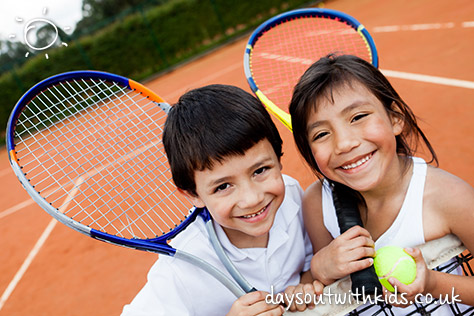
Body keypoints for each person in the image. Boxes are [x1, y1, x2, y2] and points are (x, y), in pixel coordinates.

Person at [288, 54, 474, 313]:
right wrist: (319, 269)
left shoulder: (449, 197)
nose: (344, 143)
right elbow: (322, 292)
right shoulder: (317, 204)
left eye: (357, 117)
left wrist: (432, 283)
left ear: (395, 118)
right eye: (321, 134)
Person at [121, 84, 321, 316]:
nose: (252, 198)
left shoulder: (291, 195)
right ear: (193, 194)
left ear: (278, 158)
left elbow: (307, 263)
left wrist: (303, 285)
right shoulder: (183, 264)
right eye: (223, 186)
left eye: (260, 170)